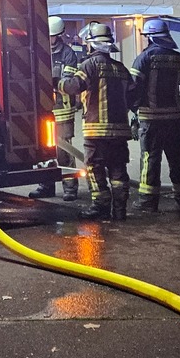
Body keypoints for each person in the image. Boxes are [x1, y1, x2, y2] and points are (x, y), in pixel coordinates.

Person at [58, 22, 136, 220]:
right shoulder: (121, 68)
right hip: (120, 131)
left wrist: (58, 82)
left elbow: (74, 86)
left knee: (94, 168)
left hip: (96, 130)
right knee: (118, 170)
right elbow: (135, 97)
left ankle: (100, 206)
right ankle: (120, 211)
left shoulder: (89, 65)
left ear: (91, 44)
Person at [130, 18, 180, 213]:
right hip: (175, 120)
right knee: (178, 159)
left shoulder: (144, 58)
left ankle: (148, 202)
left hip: (151, 121)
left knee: (150, 159)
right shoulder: (179, 58)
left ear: (149, 37)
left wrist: (134, 112)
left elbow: (134, 89)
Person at [29, 16, 79, 200]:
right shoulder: (38, 51)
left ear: (59, 35)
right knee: (44, 150)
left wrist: (50, 82)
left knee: (64, 150)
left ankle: (70, 188)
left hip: (62, 109)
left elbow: (67, 82)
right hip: (43, 109)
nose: (49, 39)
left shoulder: (68, 54)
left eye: (52, 36)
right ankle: (46, 185)